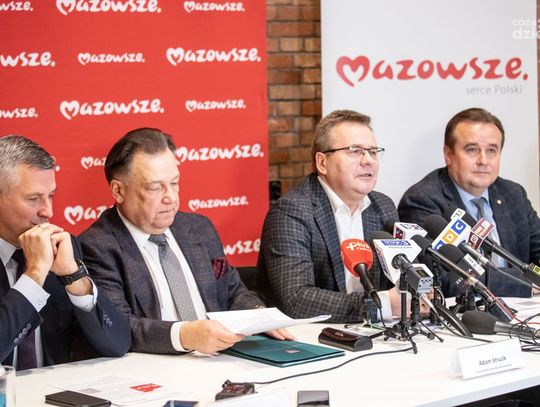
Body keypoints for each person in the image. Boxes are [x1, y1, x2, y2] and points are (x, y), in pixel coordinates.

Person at [79, 128, 293, 355]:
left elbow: (232, 292)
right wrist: (184, 335)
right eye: (155, 188)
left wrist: (258, 314)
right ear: (118, 190)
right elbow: (119, 327)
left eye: (174, 183)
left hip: (222, 358)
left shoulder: (199, 228)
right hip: (154, 366)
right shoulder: (98, 246)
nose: (170, 198)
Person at [257, 109, 401, 323]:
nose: (368, 160)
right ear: (322, 162)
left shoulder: (383, 207)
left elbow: (397, 279)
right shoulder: (291, 211)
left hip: (372, 330)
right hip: (308, 336)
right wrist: (382, 304)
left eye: (373, 151)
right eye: (355, 151)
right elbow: (297, 300)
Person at [0, 135, 131, 370]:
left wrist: (74, 276)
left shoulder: (62, 248)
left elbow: (117, 344)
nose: (48, 211)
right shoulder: (40, 263)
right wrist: (34, 274)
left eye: (50, 196)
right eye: (33, 199)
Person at [398, 107, 540, 297]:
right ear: (448, 154)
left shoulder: (512, 194)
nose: (483, 160)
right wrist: (526, 283)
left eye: (492, 150)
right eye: (472, 149)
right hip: (466, 310)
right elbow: (443, 279)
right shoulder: (422, 200)